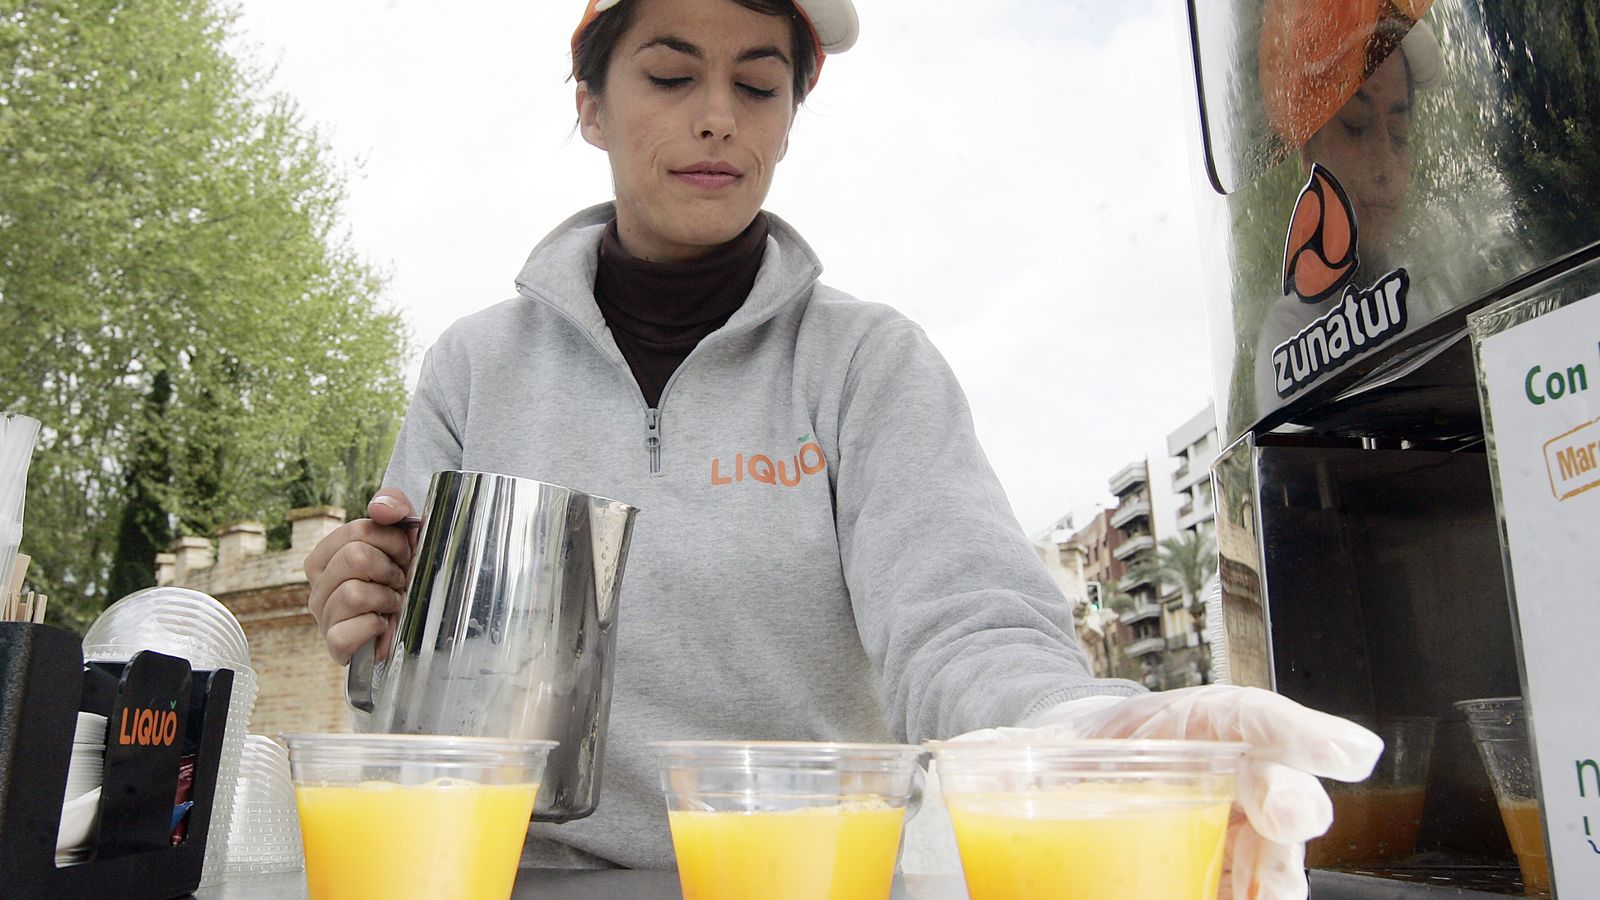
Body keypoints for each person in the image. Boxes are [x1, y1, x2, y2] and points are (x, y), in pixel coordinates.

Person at [304, 1, 1381, 896]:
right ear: (589, 106)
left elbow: (961, 619)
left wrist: (1078, 731)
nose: (719, 119)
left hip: (809, 878)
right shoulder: (474, 368)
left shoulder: (868, 365)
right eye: (671, 78)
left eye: (759, 86)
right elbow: (421, 706)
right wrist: (372, 625)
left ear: (788, 118)